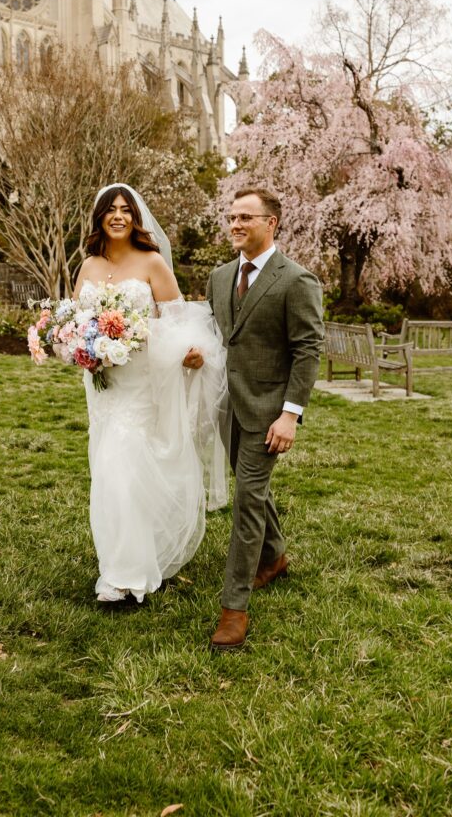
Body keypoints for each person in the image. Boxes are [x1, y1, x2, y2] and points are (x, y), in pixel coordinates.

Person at [73, 183, 227, 604]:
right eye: (111, 210)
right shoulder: (87, 265)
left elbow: (179, 321)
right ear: (100, 217)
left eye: (126, 210)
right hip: (104, 383)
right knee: (106, 472)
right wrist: (78, 346)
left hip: (142, 382)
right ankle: (121, 560)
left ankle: (125, 578)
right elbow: (76, 320)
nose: (118, 216)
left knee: (120, 468)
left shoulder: (152, 262)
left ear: (135, 218)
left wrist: (190, 353)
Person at [205, 187, 324, 650]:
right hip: (226, 407)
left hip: (268, 413)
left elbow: (308, 349)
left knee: (247, 501)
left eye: (246, 218)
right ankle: (274, 558)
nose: (235, 224)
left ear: (271, 223)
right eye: (231, 217)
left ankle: (233, 608)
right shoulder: (218, 277)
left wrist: (289, 415)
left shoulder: (296, 280)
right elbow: (219, 336)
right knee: (252, 488)